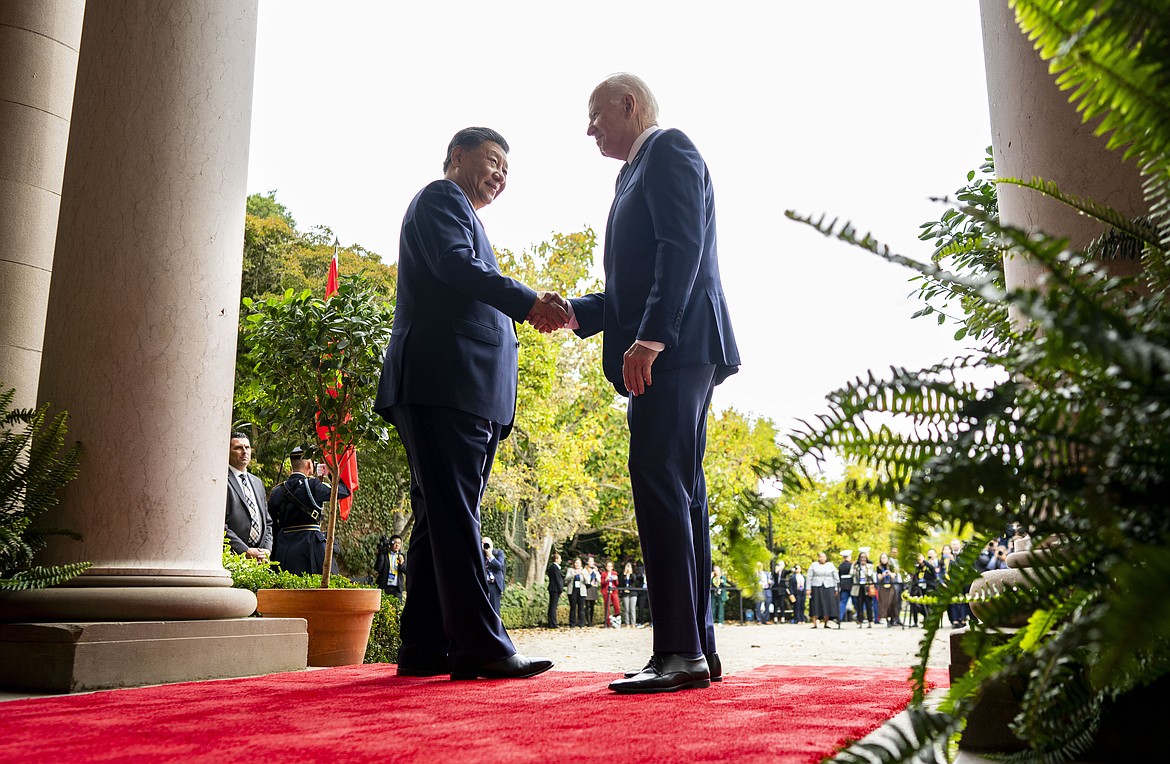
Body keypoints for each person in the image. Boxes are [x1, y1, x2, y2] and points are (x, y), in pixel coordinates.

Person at [564, 73, 740, 694]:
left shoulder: (668, 149)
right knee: (681, 489)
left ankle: (678, 652)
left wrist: (653, 338)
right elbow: (631, 287)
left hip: (674, 350)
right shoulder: (629, 175)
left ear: (628, 105)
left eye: (595, 114)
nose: (589, 128)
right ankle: (695, 648)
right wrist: (576, 312)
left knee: (660, 481)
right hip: (665, 348)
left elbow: (682, 248)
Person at [372, 126, 560, 680]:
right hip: (442, 384)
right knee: (456, 514)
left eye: (506, 169)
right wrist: (528, 301)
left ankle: (425, 647)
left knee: (437, 516)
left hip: (468, 392)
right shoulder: (440, 199)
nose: (500, 175)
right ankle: (483, 646)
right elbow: (458, 268)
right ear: (457, 157)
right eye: (493, 160)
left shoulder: (469, 216)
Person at [268, 447, 350, 575]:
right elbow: (344, 490)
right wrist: (330, 472)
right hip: (309, 547)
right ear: (309, 464)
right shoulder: (313, 485)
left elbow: (273, 524)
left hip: (284, 549)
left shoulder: (277, 490)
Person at [225, 432, 272, 560]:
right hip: (232, 557)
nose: (244, 452)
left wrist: (266, 550)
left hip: (259, 558)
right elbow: (219, 525)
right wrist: (244, 550)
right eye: (238, 448)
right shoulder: (221, 480)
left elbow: (267, 522)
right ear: (227, 451)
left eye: (247, 447)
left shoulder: (257, 483)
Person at [807, 552, 839, 629]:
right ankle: (814, 623)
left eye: (823, 557)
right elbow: (809, 577)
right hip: (816, 586)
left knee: (827, 604)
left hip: (828, 586)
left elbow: (836, 577)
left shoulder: (830, 565)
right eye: (820, 557)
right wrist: (808, 588)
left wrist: (836, 588)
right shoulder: (814, 565)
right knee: (816, 604)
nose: (822, 558)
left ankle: (826, 622)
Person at [374, 534, 406, 600]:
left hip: (397, 588)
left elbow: (407, 571)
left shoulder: (402, 556)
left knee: (397, 608)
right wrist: (381, 554)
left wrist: (402, 564)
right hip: (385, 586)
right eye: (395, 542)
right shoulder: (384, 554)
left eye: (399, 543)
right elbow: (378, 568)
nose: (397, 545)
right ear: (391, 543)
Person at [875, 552, 899, 627]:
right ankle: (886, 619)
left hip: (891, 586)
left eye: (885, 558)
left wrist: (889, 573)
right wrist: (883, 574)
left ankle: (893, 618)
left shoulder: (891, 566)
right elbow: (879, 577)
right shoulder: (879, 567)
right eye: (882, 558)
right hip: (883, 587)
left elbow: (894, 576)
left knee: (891, 601)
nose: (884, 559)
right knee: (884, 603)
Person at [852, 550, 875, 628]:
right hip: (859, 587)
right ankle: (860, 621)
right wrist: (853, 566)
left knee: (869, 605)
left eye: (864, 557)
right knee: (859, 605)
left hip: (867, 587)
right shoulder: (856, 566)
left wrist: (866, 569)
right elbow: (851, 574)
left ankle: (870, 622)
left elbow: (871, 575)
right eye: (861, 557)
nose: (863, 559)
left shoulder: (870, 566)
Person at [483, 536, 505, 615]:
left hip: (494, 585)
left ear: (492, 544)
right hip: (483, 584)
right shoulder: (480, 555)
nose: (486, 546)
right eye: (483, 544)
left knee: (495, 610)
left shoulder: (498, 553)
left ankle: (496, 627)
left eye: (487, 544)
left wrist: (490, 556)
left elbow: (500, 567)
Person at [566, 557, 588, 628]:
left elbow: (587, 581)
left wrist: (583, 575)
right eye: (576, 563)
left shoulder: (584, 571)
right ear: (574, 564)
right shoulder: (570, 570)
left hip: (581, 591)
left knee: (581, 608)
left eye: (578, 563)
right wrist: (573, 575)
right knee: (573, 607)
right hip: (572, 590)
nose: (577, 564)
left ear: (581, 564)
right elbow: (566, 579)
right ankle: (572, 623)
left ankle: (581, 623)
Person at [546, 552, 565, 628]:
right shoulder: (555, 568)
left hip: (552, 588)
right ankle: (553, 623)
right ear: (556, 559)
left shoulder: (552, 567)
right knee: (553, 607)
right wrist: (561, 590)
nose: (561, 560)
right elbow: (558, 580)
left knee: (552, 606)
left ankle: (551, 622)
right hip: (555, 589)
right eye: (560, 558)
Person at [600, 560, 621, 627]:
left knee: (617, 605)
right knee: (607, 607)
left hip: (614, 591)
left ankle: (617, 620)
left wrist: (616, 579)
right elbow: (602, 583)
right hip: (606, 591)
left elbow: (617, 584)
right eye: (608, 566)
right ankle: (607, 623)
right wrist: (606, 579)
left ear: (612, 567)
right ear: (606, 567)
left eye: (610, 566)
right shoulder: (603, 573)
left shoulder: (614, 573)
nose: (609, 567)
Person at [620, 562, 640, 627]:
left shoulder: (634, 574)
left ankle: (633, 623)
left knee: (632, 609)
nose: (628, 568)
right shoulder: (623, 575)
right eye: (627, 566)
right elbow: (620, 583)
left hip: (633, 593)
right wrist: (625, 574)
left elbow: (634, 580)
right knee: (626, 609)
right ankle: (627, 623)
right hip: (625, 593)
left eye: (629, 567)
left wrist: (630, 574)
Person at [837, 549, 854, 625]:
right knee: (855, 601)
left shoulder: (841, 565)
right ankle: (859, 617)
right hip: (851, 584)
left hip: (843, 585)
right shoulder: (851, 565)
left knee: (843, 602)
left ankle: (839, 617)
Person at [583, 557, 600, 626]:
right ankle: (588, 621)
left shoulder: (595, 570)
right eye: (589, 561)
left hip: (594, 588)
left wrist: (596, 572)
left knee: (592, 606)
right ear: (587, 562)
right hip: (588, 587)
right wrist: (589, 573)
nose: (591, 563)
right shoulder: (585, 570)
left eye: (592, 562)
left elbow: (599, 579)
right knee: (587, 605)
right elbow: (586, 580)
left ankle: (591, 620)